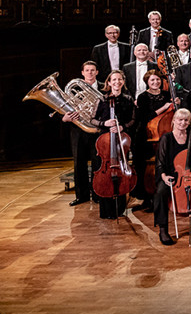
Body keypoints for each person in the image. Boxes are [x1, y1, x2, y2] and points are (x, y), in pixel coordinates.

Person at [93, 70, 136, 219]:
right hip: (105, 140)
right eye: (114, 80)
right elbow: (93, 119)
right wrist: (104, 123)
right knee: (105, 172)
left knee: (121, 171)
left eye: (120, 79)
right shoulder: (102, 100)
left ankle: (120, 207)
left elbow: (133, 120)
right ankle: (106, 209)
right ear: (109, 83)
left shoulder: (128, 99)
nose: (117, 82)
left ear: (123, 82)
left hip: (121, 138)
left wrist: (122, 127)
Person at [155, 108, 191, 245]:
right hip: (169, 174)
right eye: (180, 120)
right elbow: (160, 162)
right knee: (161, 192)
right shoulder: (166, 138)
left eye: (186, 120)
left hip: (188, 174)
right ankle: (163, 229)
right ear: (174, 121)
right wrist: (164, 177)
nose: (183, 123)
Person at [62, 61, 101, 207]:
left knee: (98, 163)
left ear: (97, 72)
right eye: (87, 70)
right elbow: (63, 108)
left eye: (92, 70)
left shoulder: (104, 87)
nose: (90, 73)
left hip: (97, 131)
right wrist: (64, 118)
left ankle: (98, 194)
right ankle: (81, 196)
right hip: (78, 130)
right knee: (79, 164)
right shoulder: (75, 88)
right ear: (82, 73)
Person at [132, 69, 173, 209]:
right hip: (147, 136)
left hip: (164, 134)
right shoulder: (143, 96)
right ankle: (148, 197)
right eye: (152, 80)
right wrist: (164, 107)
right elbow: (145, 117)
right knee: (145, 167)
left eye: (158, 80)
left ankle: (166, 195)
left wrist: (174, 104)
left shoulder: (167, 94)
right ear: (147, 82)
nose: (156, 82)